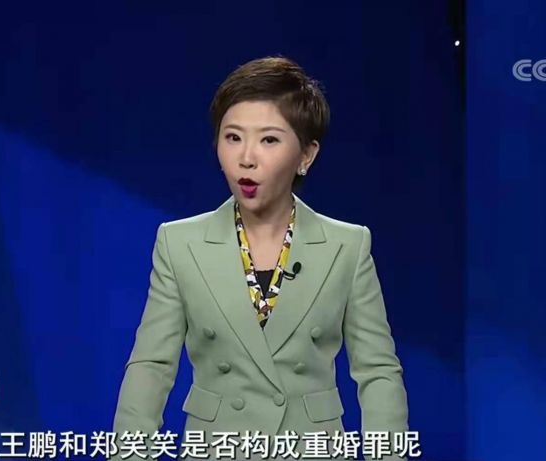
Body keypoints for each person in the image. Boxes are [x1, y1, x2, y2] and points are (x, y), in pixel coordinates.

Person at [112, 56, 409, 461]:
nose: (246, 158)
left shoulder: (347, 246)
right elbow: (151, 367)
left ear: (306, 155)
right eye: (233, 137)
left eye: (269, 140)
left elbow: (378, 373)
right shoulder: (180, 243)